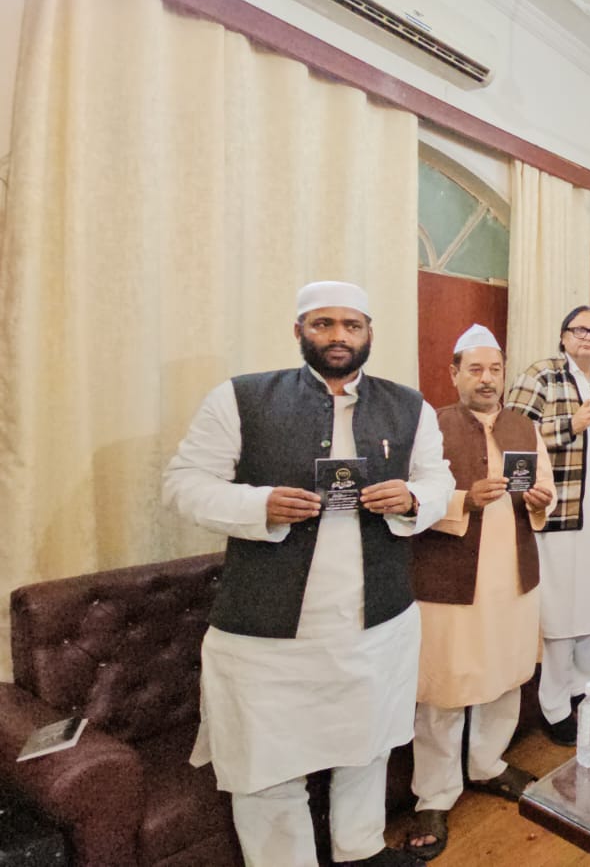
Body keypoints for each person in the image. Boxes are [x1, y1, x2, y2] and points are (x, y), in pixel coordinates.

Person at [163, 281, 454, 867]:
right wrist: (258, 505)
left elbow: (438, 478)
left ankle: (360, 851)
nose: (338, 336)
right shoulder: (241, 398)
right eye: (323, 324)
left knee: (367, 747)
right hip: (267, 634)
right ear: (299, 330)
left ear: (369, 333)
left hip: (375, 623)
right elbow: (183, 484)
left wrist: (413, 498)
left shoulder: (409, 406)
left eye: (352, 325)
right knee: (268, 767)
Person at [405, 325, 555, 861]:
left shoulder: (523, 426)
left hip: (511, 576)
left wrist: (540, 499)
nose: (486, 379)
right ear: (454, 373)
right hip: (447, 580)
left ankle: (488, 764)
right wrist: (463, 501)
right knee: (443, 689)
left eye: (494, 370)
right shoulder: (430, 426)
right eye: (475, 369)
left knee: (505, 678)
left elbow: (546, 488)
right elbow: (411, 499)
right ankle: (434, 795)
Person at [505, 306, 590, 745]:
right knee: (560, 615)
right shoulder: (543, 374)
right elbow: (512, 435)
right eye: (580, 329)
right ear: (563, 335)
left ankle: (582, 691)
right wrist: (571, 423)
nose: (588, 337)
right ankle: (554, 707)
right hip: (559, 512)